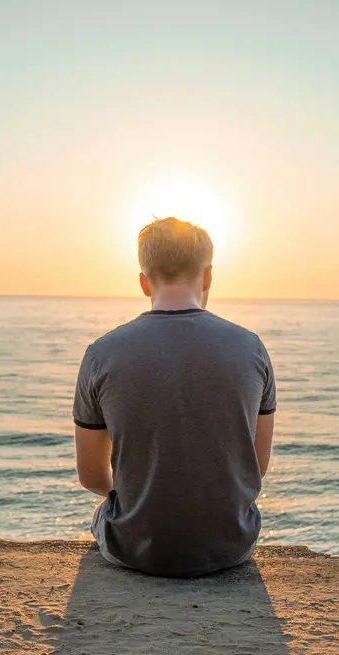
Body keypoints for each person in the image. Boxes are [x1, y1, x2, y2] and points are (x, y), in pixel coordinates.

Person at [72, 217, 276, 577]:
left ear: (143, 282)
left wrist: (143, 491)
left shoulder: (101, 354)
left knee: (106, 512)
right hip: (230, 546)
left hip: (134, 548)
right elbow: (255, 469)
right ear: (208, 276)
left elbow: (91, 476)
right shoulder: (252, 350)